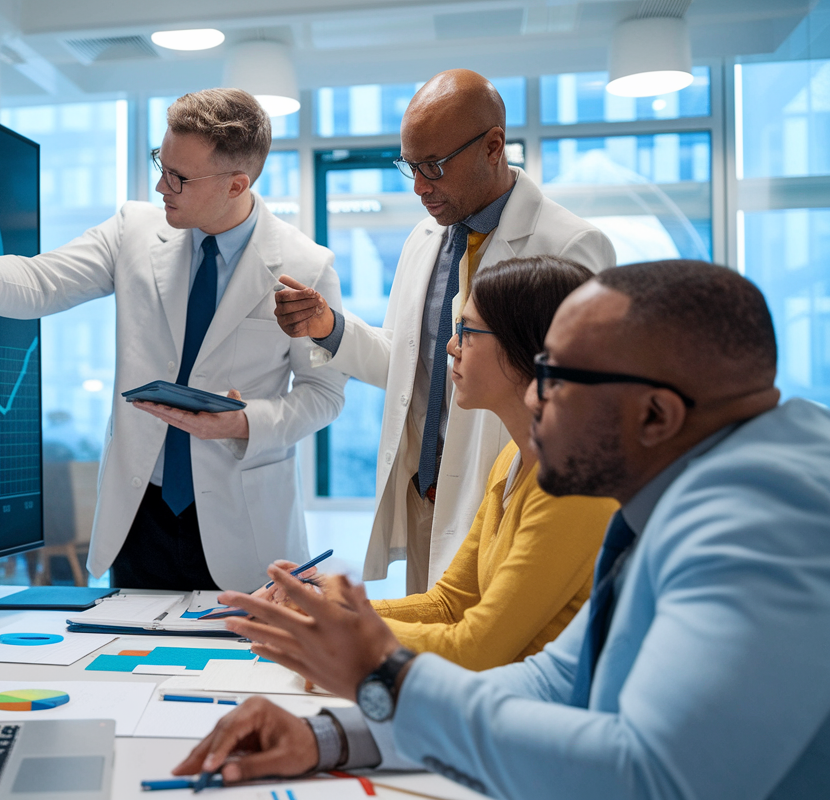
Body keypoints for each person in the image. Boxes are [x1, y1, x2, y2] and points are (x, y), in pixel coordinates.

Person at [174, 260, 830, 799]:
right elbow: (556, 682)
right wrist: (334, 735)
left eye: (554, 377)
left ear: (655, 415)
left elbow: (648, 779)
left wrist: (385, 674)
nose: (535, 399)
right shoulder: (679, 483)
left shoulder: (767, 519)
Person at [0, 89, 347, 591]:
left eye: (179, 177)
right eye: (161, 163)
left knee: (242, 668)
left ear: (236, 185)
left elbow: (324, 394)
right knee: (127, 661)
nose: (162, 185)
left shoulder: (307, 266)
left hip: (245, 521)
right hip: (141, 515)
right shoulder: (133, 230)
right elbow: (45, 279)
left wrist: (247, 421)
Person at [275, 69, 616, 594]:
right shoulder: (426, 237)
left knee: (489, 650)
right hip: (426, 495)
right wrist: (330, 328)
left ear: (494, 146)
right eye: (410, 166)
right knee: (428, 638)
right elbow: (409, 363)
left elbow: (576, 397)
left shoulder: (570, 245)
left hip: (504, 499)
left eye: (433, 166)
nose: (419, 187)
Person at [300, 256, 617, 669]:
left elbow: (475, 646)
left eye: (466, 332)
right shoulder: (513, 457)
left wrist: (337, 624)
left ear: (526, 347)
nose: (451, 347)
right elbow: (448, 605)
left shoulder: (572, 487)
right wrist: (326, 605)